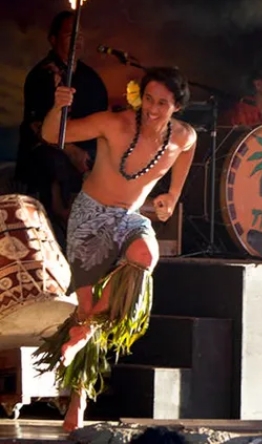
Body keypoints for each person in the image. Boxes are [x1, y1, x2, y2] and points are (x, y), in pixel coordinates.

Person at [33, 67, 197, 433]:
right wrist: (59, 107)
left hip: (128, 218)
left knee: (146, 256)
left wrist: (173, 193)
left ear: (176, 107)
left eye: (163, 104)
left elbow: (188, 151)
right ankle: (77, 403)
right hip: (90, 217)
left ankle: (88, 329)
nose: (152, 110)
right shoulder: (114, 124)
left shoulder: (182, 137)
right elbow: (51, 134)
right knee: (87, 308)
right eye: (149, 100)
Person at [14, 11, 109, 245]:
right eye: (69, 34)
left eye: (80, 35)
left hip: (88, 150)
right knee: (53, 163)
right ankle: (63, 229)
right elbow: (37, 126)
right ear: (53, 39)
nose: (77, 40)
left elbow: (102, 122)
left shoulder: (91, 78)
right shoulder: (41, 75)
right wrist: (72, 150)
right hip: (46, 150)